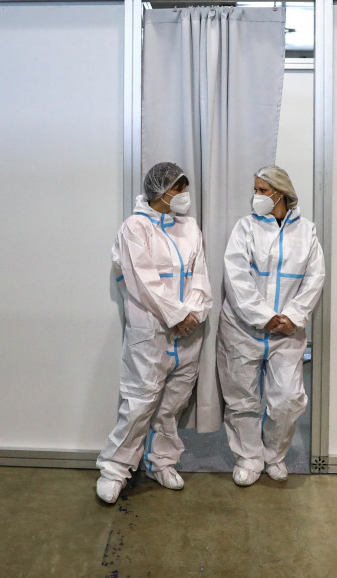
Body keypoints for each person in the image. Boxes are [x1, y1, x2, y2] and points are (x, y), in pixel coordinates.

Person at [96, 162, 212, 504]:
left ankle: (160, 462)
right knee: (140, 402)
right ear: (160, 191)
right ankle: (114, 470)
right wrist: (176, 315)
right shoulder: (135, 228)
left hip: (189, 333)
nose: (183, 196)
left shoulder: (189, 227)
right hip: (151, 332)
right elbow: (142, 282)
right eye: (178, 189)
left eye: (184, 189)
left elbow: (200, 274)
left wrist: (194, 312)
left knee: (173, 402)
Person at [218, 165, 325, 486]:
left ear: (281, 193)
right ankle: (249, 457)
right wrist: (265, 316)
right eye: (256, 190)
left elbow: (315, 277)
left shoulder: (306, 231)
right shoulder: (245, 228)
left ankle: (274, 455)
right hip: (243, 329)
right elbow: (236, 276)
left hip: (287, 332)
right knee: (242, 398)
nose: (257, 197)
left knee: (288, 399)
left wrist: (292, 316)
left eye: (263, 191)